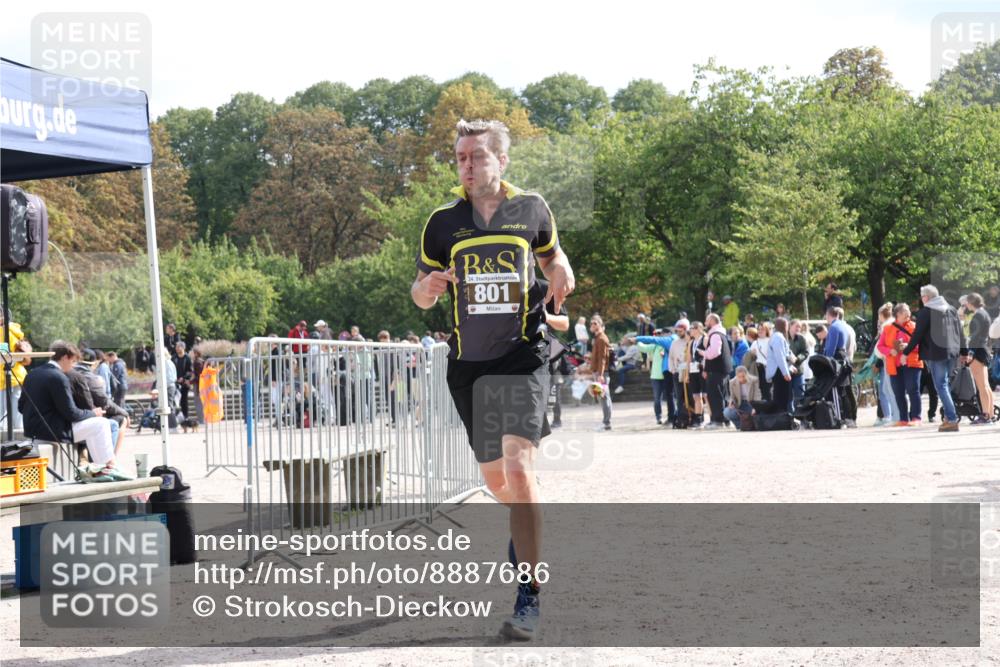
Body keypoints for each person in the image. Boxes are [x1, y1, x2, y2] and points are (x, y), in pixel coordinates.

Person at [410, 119, 575, 640]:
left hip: (524, 355)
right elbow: (419, 292)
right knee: (498, 482)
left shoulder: (532, 208)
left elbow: (552, 255)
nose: (466, 164)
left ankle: (528, 596)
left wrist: (562, 272)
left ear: (501, 161)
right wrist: (430, 287)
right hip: (469, 367)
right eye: (460, 157)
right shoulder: (441, 222)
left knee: (519, 469)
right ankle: (524, 520)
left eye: (477, 156)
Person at [19, 341, 121, 477]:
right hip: (52, 432)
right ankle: (106, 468)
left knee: (96, 425)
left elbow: (21, 407)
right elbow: (72, 414)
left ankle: (101, 467)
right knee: (101, 424)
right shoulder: (59, 377)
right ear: (65, 357)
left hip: (33, 431)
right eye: (73, 361)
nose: (73, 366)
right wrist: (93, 413)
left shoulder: (31, 374)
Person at [901, 285, 966, 432]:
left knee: (941, 385)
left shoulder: (926, 312)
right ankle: (949, 417)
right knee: (945, 385)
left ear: (927, 297)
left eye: (922, 296)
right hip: (952, 353)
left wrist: (906, 352)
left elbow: (917, 335)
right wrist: (964, 351)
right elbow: (960, 332)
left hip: (936, 354)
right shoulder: (951, 309)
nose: (921, 299)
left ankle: (951, 418)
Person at [878, 303, 923, 426]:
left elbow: (923, 344)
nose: (908, 313)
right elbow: (880, 346)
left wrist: (908, 347)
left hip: (912, 363)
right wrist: (890, 351)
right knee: (898, 392)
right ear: (897, 314)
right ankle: (903, 418)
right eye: (905, 311)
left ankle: (916, 418)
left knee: (913, 390)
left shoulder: (914, 326)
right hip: (894, 364)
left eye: (908, 310)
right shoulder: (888, 328)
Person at [961, 293, 994, 424]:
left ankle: (985, 415)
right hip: (983, 350)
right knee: (986, 386)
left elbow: (975, 337)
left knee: (982, 386)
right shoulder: (984, 314)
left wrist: (970, 353)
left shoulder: (978, 315)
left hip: (978, 352)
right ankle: (990, 414)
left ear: (970, 303)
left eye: (967, 303)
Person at [636, 327, 677, 425]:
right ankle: (659, 417)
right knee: (657, 398)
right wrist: (637, 341)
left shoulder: (670, 343)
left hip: (667, 373)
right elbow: (643, 348)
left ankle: (672, 416)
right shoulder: (655, 345)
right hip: (656, 375)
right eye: (658, 334)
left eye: (661, 333)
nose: (659, 335)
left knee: (670, 397)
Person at [824, 307, 857, 427]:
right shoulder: (842, 326)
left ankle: (839, 418)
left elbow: (831, 348)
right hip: (844, 358)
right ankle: (849, 417)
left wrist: (826, 360)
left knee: (835, 390)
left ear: (829, 315)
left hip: (836, 358)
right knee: (845, 390)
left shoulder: (833, 327)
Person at [700, 313, 733, 428]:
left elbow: (715, 352)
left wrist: (703, 353)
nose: (705, 323)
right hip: (721, 370)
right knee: (723, 395)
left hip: (716, 370)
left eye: (707, 321)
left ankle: (717, 421)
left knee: (715, 396)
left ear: (712, 321)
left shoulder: (715, 335)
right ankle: (725, 420)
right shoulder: (721, 334)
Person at [871, 303, 900, 427]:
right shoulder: (891, 324)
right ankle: (895, 415)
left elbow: (881, 346)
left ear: (882, 315)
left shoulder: (886, 326)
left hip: (888, 359)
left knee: (889, 389)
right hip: (889, 359)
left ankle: (895, 416)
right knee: (888, 389)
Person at [0, 308, 30, 430]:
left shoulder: (3, 332)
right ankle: (20, 439)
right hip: (17, 374)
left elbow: (3, 354)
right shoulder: (14, 331)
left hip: (5, 376)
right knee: (17, 412)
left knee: (3, 414)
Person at [760, 317, 793, 415]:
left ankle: (780, 416)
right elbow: (780, 356)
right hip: (779, 371)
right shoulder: (778, 337)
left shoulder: (776, 336)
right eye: (786, 325)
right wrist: (786, 372)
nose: (787, 328)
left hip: (778, 370)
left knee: (780, 396)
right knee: (782, 397)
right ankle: (780, 418)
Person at [589, 315, 613, 431]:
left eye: (594, 323)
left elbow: (603, 358)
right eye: (591, 323)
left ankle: (607, 423)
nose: (592, 325)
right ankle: (606, 422)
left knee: (604, 397)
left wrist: (601, 375)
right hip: (598, 372)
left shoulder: (602, 338)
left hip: (601, 374)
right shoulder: (598, 338)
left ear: (599, 324)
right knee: (602, 397)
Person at [684, 321, 706, 428]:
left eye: (692, 328)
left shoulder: (705, 339)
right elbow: (688, 358)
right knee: (696, 395)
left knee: (705, 395)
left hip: (702, 369)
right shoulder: (691, 343)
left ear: (698, 329)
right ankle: (698, 418)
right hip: (693, 370)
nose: (690, 331)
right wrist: (687, 374)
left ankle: (707, 417)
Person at [668, 319, 691, 423]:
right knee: (679, 396)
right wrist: (672, 369)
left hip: (690, 372)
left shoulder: (691, 341)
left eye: (680, 331)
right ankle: (682, 418)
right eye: (677, 331)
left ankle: (693, 416)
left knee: (690, 395)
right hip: (677, 372)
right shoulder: (674, 343)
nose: (678, 333)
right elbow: (671, 357)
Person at [787, 320, 811, 409]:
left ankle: (801, 416)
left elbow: (805, 352)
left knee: (800, 395)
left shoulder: (801, 338)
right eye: (796, 326)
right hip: (787, 371)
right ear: (790, 326)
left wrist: (797, 359)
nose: (798, 328)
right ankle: (789, 416)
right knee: (788, 395)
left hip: (798, 371)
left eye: (799, 327)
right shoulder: (784, 337)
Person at [172, 342, 194, 420]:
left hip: (184, 384)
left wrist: (183, 378)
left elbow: (190, 371)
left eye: (178, 347)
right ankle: (175, 419)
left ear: (183, 348)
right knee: (175, 401)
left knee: (184, 401)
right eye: (176, 347)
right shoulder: (174, 358)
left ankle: (185, 417)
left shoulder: (187, 358)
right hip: (175, 383)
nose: (176, 348)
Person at [751, 322, 772, 401]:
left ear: (766, 330)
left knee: (767, 388)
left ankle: (769, 405)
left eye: (762, 329)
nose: (760, 331)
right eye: (758, 329)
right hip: (757, 368)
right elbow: (751, 356)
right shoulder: (755, 342)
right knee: (760, 388)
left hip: (767, 367)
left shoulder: (770, 341)